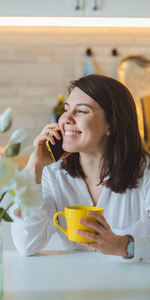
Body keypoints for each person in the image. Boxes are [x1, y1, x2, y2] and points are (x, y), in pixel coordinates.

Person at [10, 74, 150, 261]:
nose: (66, 118)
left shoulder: (146, 173)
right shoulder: (52, 175)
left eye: (81, 111)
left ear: (113, 123)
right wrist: (34, 168)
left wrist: (120, 245)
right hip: (76, 287)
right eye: (66, 109)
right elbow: (27, 245)